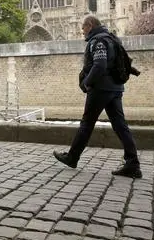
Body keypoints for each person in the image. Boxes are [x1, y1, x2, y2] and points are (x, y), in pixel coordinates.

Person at [53, 15, 142, 179]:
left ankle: (72, 157)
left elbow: (99, 65)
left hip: (101, 88)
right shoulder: (112, 39)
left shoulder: (98, 41)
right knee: (120, 125)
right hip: (115, 88)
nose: (82, 31)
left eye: (83, 27)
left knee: (86, 123)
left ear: (91, 25)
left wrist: (87, 83)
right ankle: (133, 164)